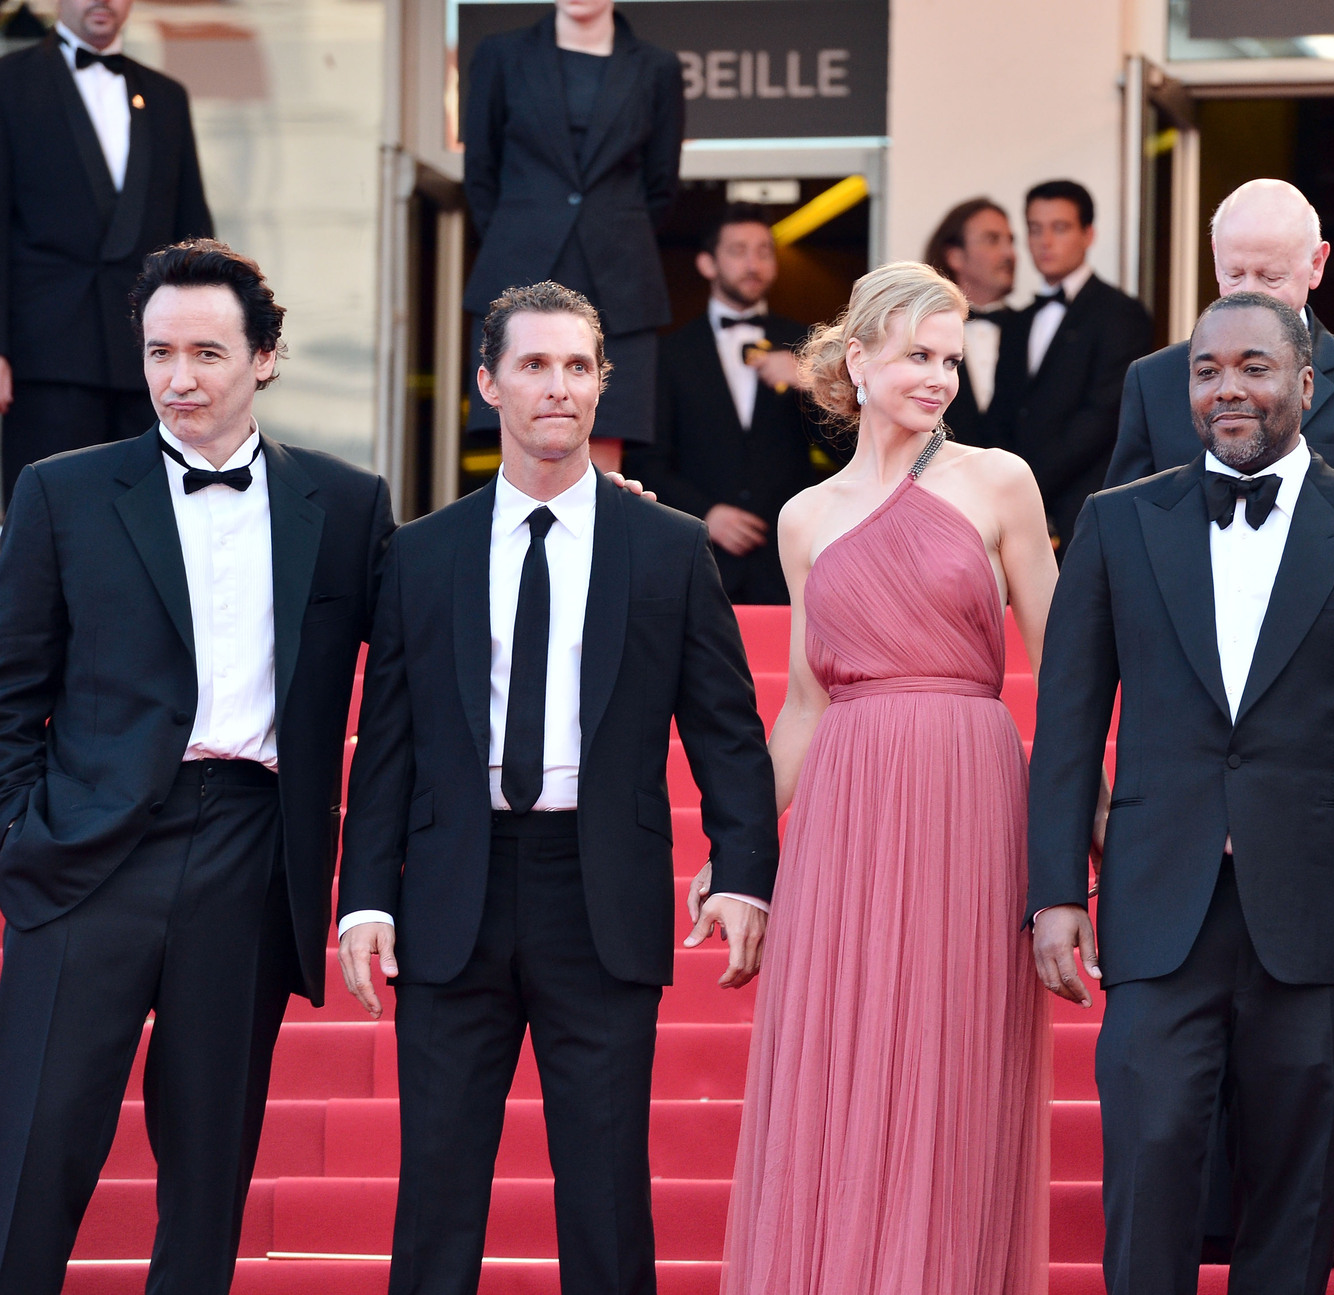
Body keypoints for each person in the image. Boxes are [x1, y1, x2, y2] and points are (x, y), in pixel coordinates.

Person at [335, 281, 778, 1295]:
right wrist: (365, 894)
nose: (557, 386)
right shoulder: (421, 552)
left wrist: (745, 866)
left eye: (577, 366)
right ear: (488, 381)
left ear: (600, 387)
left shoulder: (666, 546)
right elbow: (387, 744)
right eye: (533, 364)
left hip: (600, 891)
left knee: (607, 1190)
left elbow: (725, 727)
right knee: (436, 1188)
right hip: (454, 890)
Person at [1030, 291, 1334, 1295]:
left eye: (1253, 366)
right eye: (1205, 368)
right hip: (1156, 900)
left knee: (1298, 1190)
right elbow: (1067, 720)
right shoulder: (1115, 521)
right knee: (1147, 1161)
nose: (1227, 387)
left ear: (1304, 384)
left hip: (1323, 912)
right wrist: (1054, 887)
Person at [0, 239, 391, 1294]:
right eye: (160, 351)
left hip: (249, 848)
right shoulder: (60, 492)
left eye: (208, 351)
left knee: (210, 1159)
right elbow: (7, 688)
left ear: (264, 358)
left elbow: (411, 669)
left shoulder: (347, 507)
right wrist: (22, 833)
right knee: (33, 1145)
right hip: (86, 851)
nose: (180, 376)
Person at [721, 262, 1059, 1294]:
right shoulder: (801, 517)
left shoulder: (999, 480)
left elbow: (1064, 672)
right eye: (917, 354)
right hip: (844, 812)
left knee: (952, 1069)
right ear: (854, 360)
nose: (937, 377)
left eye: (950, 358)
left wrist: (1078, 824)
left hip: (970, 791)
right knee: (839, 1064)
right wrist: (736, 842)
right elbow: (806, 707)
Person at [1110, 175, 1334, 1267]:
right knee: (1166, 1094)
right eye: (1229, 271)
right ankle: (1205, 1200)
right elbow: (1118, 579)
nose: (1244, 289)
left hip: (1317, 788)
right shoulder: (1153, 383)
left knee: (1299, 1086)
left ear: (1315, 268)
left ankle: (1307, 1192)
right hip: (1181, 790)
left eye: (1266, 271)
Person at [0, 0, 212, 504]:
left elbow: (193, 234)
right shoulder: (8, 83)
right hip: (42, 355)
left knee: (145, 519)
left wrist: (201, 348)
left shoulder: (167, 97)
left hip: (148, 356)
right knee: (47, 520)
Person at [1107, 179, 1334, 505]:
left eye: (1271, 277)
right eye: (1235, 274)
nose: (1250, 294)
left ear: (1316, 264)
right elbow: (1120, 526)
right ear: (1216, 257)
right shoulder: (1152, 381)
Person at [461, 0, 683, 473]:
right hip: (516, 270)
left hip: (619, 283)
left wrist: (612, 233)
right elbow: (480, 174)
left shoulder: (657, 67)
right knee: (520, 438)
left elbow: (661, 185)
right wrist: (522, 233)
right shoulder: (500, 54)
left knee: (605, 453)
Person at [624, 204, 820, 605]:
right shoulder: (670, 353)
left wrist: (811, 382)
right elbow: (647, 462)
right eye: (738, 250)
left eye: (765, 251)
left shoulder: (812, 346)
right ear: (707, 264)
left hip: (789, 561)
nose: (754, 263)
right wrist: (706, 514)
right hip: (698, 560)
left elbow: (848, 451)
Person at [994, 178, 1152, 552]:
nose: (1045, 241)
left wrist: (1027, 485)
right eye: (1035, 229)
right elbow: (1004, 411)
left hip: (1086, 511)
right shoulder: (1018, 320)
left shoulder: (1121, 314)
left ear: (1088, 234)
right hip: (1016, 515)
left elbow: (1101, 418)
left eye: (1059, 228)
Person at [924, 196, 1018, 449]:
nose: (1009, 253)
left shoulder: (1032, 328)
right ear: (955, 256)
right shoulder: (921, 333)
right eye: (992, 240)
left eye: (1010, 241)